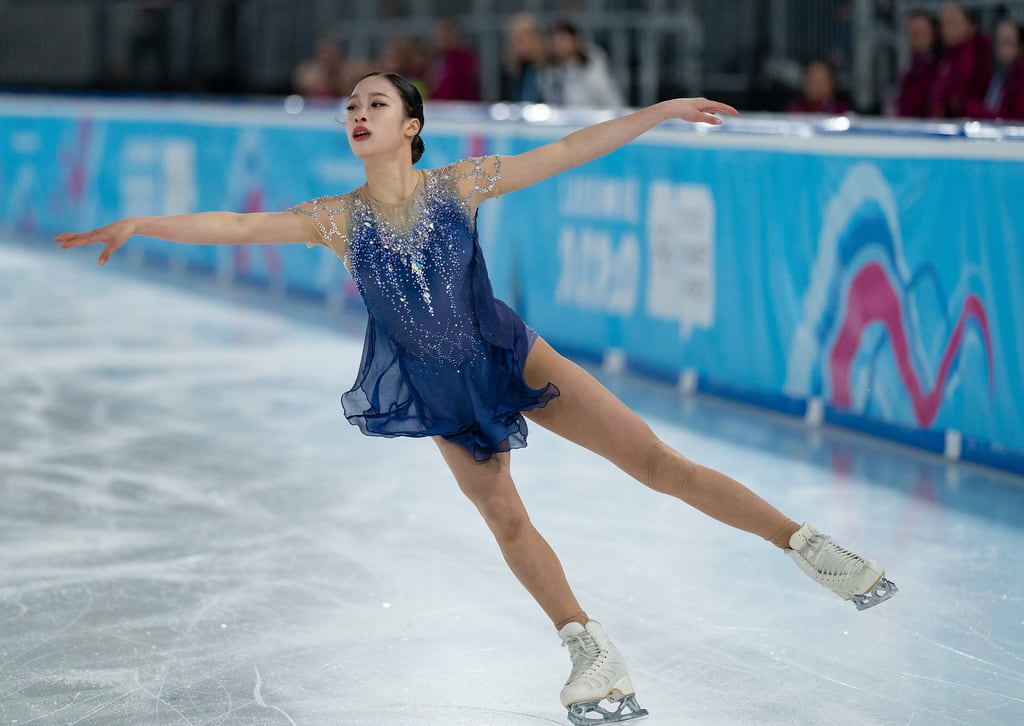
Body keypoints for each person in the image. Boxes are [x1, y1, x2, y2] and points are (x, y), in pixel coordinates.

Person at [55, 71, 897, 725]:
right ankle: (589, 647)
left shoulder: (457, 186)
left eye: (374, 103)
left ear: (410, 127)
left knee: (654, 462)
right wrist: (140, 224)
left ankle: (804, 543)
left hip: (509, 353)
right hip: (436, 389)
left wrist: (662, 109)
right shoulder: (336, 219)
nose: (356, 113)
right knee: (505, 518)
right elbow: (237, 228)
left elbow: (567, 151)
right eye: (351, 105)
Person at [929, 3, 992, 118]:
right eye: (945, 23)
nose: (947, 28)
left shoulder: (976, 54)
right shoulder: (944, 56)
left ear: (969, 25)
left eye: (953, 22)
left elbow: (961, 99)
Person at [542, 21, 624, 108]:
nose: (560, 45)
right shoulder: (551, 68)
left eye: (563, 39)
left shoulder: (593, 60)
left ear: (575, 39)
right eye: (556, 41)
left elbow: (606, 94)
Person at [967, 19, 1024, 120]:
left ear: (1020, 46)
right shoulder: (999, 75)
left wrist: (975, 109)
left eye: (1008, 42)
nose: (1002, 48)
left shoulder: (1019, 77)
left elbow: (1013, 119)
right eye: (999, 41)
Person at [892, 9, 941, 118]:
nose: (915, 37)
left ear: (932, 33)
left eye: (919, 32)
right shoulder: (910, 66)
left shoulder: (939, 67)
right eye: (912, 32)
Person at [502, 12, 549, 103]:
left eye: (523, 41)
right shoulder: (509, 73)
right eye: (516, 42)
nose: (520, 47)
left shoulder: (547, 70)